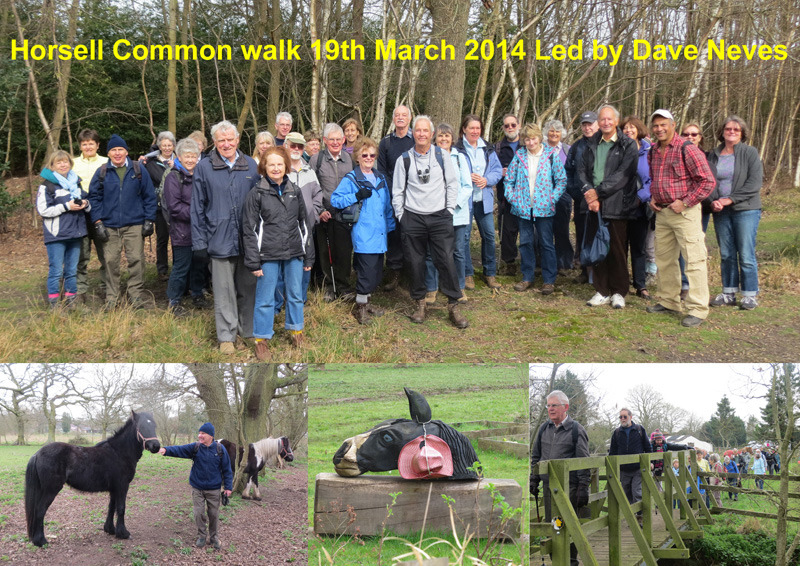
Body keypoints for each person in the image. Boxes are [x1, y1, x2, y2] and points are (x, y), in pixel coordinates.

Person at [392, 115, 467, 328]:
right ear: (413, 133)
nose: (422, 134)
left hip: (439, 217)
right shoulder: (403, 160)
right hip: (412, 217)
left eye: (425, 130)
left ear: (431, 134)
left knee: (446, 259)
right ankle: (420, 303)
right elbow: (397, 191)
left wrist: (449, 210)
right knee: (415, 262)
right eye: (418, 130)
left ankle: (453, 305)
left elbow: (453, 184)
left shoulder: (443, 157)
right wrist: (402, 216)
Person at [191, 120, 259, 354]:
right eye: (222, 140)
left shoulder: (250, 165)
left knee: (248, 288)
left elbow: (260, 204)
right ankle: (226, 336)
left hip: (247, 240)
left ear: (238, 140)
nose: (227, 144)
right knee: (223, 291)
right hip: (218, 237)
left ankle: (247, 330)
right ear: (215, 142)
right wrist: (199, 241)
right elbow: (197, 207)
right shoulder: (204, 167)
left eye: (230, 139)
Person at [646, 109, 715, 327]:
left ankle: (697, 309)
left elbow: (707, 181)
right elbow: (655, 179)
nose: (659, 129)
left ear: (673, 125)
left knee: (693, 260)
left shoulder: (688, 149)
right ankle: (669, 301)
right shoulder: (653, 151)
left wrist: (685, 201)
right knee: (664, 260)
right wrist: (653, 198)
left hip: (685, 212)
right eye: (656, 125)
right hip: (662, 212)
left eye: (663, 124)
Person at [243, 146, 312, 358]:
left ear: (286, 166)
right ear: (264, 166)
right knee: (265, 298)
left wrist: (307, 254)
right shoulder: (256, 194)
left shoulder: (295, 191)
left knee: (295, 294)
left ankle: (297, 331)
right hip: (267, 255)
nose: (275, 168)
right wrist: (253, 261)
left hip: (294, 252)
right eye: (271, 164)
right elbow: (249, 229)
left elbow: (304, 224)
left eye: (279, 164)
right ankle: (261, 339)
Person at [88, 134, 157, 310]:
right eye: (113, 150)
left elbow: (149, 196)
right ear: (108, 153)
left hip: (135, 223)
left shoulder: (138, 169)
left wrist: (149, 219)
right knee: (110, 261)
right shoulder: (102, 172)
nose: (117, 153)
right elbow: (94, 198)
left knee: (136, 260)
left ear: (126, 151)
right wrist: (97, 222)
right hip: (110, 225)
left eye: (120, 149)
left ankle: (135, 294)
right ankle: (112, 296)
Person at [579, 105, 639, 309]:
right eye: (602, 119)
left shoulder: (627, 144)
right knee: (599, 248)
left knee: (617, 249)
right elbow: (582, 171)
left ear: (616, 120)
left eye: (609, 119)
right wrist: (589, 192)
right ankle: (602, 290)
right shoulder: (591, 144)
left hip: (616, 204)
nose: (605, 122)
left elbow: (623, 175)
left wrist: (599, 193)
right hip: (594, 204)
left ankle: (619, 291)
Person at [331, 137, 395, 324]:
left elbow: (387, 206)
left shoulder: (381, 178)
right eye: (364, 155)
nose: (368, 158)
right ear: (357, 157)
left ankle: (367, 302)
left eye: (372, 155)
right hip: (364, 233)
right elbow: (336, 200)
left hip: (380, 234)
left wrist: (390, 226)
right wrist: (355, 195)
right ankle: (360, 308)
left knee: (375, 273)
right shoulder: (352, 178)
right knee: (366, 273)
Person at [707, 115, 764, 311]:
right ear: (722, 132)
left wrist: (729, 199)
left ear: (742, 133)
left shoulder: (749, 153)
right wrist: (714, 200)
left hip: (746, 209)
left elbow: (754, 184)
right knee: (726, 254)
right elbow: (709, 181)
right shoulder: (713, 155)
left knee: (746, 254)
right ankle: (728, 292)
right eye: (728, 129)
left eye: (736, 130)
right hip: (721, 211)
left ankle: (749, 295)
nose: (731, 132)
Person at [503, 123, 567, 294]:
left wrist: (551, 198)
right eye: (527, 139)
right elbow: (508, 180)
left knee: (546, 243)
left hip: (545, 209)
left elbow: (561, 180)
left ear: (540, 138)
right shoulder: (519, 156)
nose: (530, 143)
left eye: (533, 139)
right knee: (525, 243)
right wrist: (513, 199)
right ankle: (527, 277)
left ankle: (548, 280)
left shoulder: (550, 155)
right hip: (522, 208)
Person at [530, 390, 590, 566]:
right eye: (548, 405)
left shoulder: (576, 430)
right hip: (550, 490)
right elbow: (536, 458)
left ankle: (570, 561)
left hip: (569, 488)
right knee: (554, 525)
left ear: (566, 407)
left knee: (568, 525)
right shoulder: (543, 429)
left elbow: (584, 461)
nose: (550, 409)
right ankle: (556, 560)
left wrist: (583, 487)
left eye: (554, 405)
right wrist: (534, 480)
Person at [158, 422, 233, 550]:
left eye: (203, 433)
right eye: (199, 433)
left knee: (213, 514)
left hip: (214, 489)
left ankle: (214, 537)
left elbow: (227, 469)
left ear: (210, 435)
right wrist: (166, 450)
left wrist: (228, 487)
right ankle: (202, 536)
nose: (199, 436)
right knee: (198, 513)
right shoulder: (196, 447)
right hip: (197, 487)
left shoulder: (220, 449)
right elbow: (180, 450)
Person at [422, 123, 473, 302]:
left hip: (457, 214)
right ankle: (431, 288)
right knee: (432, 252)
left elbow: (467, 185)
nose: (444, 139)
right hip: (434, 213)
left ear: (452, 139)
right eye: (441, 136)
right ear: (435, 138)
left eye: (447, 136)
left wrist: (453, 205)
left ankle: (458, 287)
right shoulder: (429, 157)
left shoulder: (460, 158)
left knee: (458, 251)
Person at [453, 114, 503, 290]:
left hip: (484, 200)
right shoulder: (456, 149)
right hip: (465, 202)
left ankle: (490, 273)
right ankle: (468, 274)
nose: (475, 131)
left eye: (478, 128)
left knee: (489, 236)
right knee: (464, 238)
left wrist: (486, 180)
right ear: (464, 129)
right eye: (471, 128)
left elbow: (497, 171)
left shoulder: (487, 148)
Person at [37, 150, 91, 309]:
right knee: (56, 271)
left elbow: (86, 199)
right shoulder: (46, 185)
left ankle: (71, 299)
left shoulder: (76, 182)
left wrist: (86, 204)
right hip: (56, 235)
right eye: (58, 162)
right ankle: (54, 303)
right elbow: (43, 210)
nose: (63, 165)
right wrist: (66, 206)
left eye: (65, 161)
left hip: (75, 232)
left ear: (70, 163)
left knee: (72, 270)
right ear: (52, 166)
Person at [309, 123, 355, 300]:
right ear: (325, 141)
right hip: (325, 212)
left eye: (338, 139)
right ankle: (329, 286)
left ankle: (344, 286)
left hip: (345, 213)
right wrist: (319, 210)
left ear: (344, 140)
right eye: (331, 140)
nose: (335, 143)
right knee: (325, 251)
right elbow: (313, 187)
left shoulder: (350, 159)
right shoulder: (317, 160)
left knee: (344, 250)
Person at [163, 138, 207, 316]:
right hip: (182, 231)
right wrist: (198, 214)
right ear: (179, 157)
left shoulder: (201, 175)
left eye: (193, 156)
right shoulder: (173, 177)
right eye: (186, 156)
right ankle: (174, 300)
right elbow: (174, 207)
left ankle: (197, 294)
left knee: (199, 264)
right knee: (181, 266)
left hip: (201, 231)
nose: (190, 160)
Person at [377, 105, 415, 291]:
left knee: (412, 235)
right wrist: (394, 194)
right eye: (397, 115)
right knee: (394, 235)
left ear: (409, 119)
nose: (400, 118)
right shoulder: (386, 143)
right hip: (393, 196)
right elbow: (383, 172)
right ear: (393, 119)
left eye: (404, 115)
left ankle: (411, 273)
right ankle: (394, 272)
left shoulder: (416, 139)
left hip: (416, 198)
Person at [285, 132, 323, 304]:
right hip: (283, 229)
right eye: (292, 145)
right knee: (284, 265)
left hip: (306, 228)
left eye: (299, 146)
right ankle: (282, 301)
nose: (296, 149)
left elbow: (318, 194)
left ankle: (301, 300)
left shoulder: (309, 170)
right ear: (285, 145)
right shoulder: (279, 168)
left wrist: (313, 215)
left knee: (306, 264)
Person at [72, 129, 108, 303]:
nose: (87, 147)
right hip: (79, 216)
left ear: (97, 145)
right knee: (81, 253)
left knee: (106, 253)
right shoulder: (71, 163)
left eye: (91, 144)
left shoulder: (106, 162)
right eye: (84, 144)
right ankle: (80, 289)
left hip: (102, 213)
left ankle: (107, 288)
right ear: (80, 145)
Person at [564, 111, 599, 284]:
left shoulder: (604, 143)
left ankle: (600, 272)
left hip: (602, 200)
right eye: (584, 124)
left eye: (590, 124)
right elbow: (568, 172)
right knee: (582, 234)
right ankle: (585, 271)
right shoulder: (576, 147)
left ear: (597, 124)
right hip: (581, 200)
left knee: (600, 235)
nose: (587, 127)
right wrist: (576, 194)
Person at [621, 115, 653, 300]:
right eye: (625, 127)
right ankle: (621, 283)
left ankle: (640, 284)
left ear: (639, 129)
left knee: (638, 248)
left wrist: (641, 197)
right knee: (620, 247)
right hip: (620, 206)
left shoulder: (648, 152)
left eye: (632, 127)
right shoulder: (618, 149)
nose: (629, 130)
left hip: (640, 207)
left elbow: (652, 179)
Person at [142, 131, 176, 281]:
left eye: (170, 145)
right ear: (159, 146)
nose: (167, 148)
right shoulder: (150, 163)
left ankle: (177, 268)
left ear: (174, 146)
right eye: (164, 145)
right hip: (159, 207)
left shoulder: (179, 160)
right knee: (162, 239)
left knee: (177, 239)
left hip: (176, 206)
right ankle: (161, 269)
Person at [609, 408, 651, 524]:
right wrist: (611, 466)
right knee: (626, 494)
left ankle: (640, 518)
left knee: (637, 492)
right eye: (620, 417)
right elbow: (612, 451)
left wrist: (650, 462)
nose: (622, 419)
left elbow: (647, 447)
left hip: (637, 468)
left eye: (624, 417)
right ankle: (630, 518)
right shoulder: (617, 432)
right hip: (623, 469)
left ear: (631, 417)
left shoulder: (639, 430)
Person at [543, 119, 573, 272]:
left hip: (563, 196)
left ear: (562, 133)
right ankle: (544, 262)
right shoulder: (541, 149)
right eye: (551, 130)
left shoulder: (568, 150)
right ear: (546, 132)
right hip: (544, 195)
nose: (554, 134)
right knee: (544, 230)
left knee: (562, 230)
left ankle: (563, 263)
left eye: (557, 131)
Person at [495, 114, 522, 276]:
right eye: (507, 126)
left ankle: (530, 262)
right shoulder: (497, 148)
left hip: (527, 197)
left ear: (519, 125)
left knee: (529, 232)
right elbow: (490, 170)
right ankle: (510, 263)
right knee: (507, 232)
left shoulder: (527, 145)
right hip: (506, 197)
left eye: (513, 125)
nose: (510, 128)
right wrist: (500, 172)